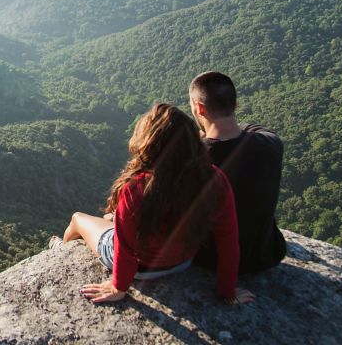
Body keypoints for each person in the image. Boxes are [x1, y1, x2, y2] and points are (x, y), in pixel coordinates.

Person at [50, 103, 254, 304]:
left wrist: (118, 287)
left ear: (149, 145)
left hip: (141, 269)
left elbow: (125, 248)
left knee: (77, 218)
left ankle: (61, 251)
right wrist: (227, 291)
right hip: (182, 262)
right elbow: (228, 241)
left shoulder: (136, 189)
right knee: (112, 217)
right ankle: (110, 221)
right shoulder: (215, 180)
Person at [188, 71, 287, 273]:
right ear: (235, 104)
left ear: (199, 108)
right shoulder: (271, 143)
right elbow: (247, 128)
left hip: (210, 260)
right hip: (265, 255)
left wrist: (200, 141)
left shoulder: (192, 158)